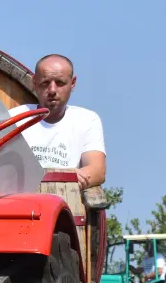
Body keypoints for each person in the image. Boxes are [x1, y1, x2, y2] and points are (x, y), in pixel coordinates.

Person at [10, 54, 106, 189]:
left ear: (73, 83)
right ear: (35, 83)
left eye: (60, 83)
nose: (52, 90)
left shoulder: (87, 120)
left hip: (67, 200)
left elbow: (97, 171)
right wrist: (67, 177)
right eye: (45, 83)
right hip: (23, 202)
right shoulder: (14, 118)